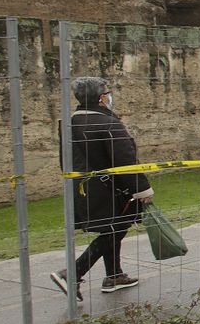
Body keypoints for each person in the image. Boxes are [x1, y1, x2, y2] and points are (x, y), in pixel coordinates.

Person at [50, 77, 153, 299]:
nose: (109, 96)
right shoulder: (107, 123)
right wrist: (142, 189)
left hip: (84, 188)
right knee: (117, 227)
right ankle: (72, 272)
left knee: (112, 228)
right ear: (100, 98)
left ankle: (114, 275)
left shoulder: (71, 124)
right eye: (107, 92)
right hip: (109, 190)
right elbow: (124, 160)